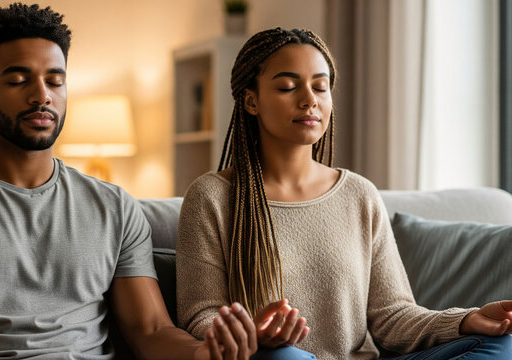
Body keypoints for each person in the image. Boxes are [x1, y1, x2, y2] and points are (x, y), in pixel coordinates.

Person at [0, 3, 258, 359]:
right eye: (19, 80)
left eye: (55, 81)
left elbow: (151, 330)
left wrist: (202, 354)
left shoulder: (115, 206)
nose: (42, 96)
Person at [176, 27, 512, 359]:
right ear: (251, 101)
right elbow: (200, 315)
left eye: (320, 87)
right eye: (288, 87)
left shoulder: (358, 194)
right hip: (276, 359)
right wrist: (254, 335)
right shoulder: (211, 197)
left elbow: (393, 317)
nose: (310, 100)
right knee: (283, 358)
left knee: (501, 344)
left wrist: (467, 320)